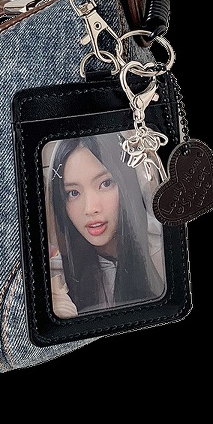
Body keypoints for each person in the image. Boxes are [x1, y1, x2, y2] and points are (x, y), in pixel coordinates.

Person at [46, 132, 166, 318]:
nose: (90, 208)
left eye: (106, 183)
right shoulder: (57, 277)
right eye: (73, 193)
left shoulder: (161, 253)